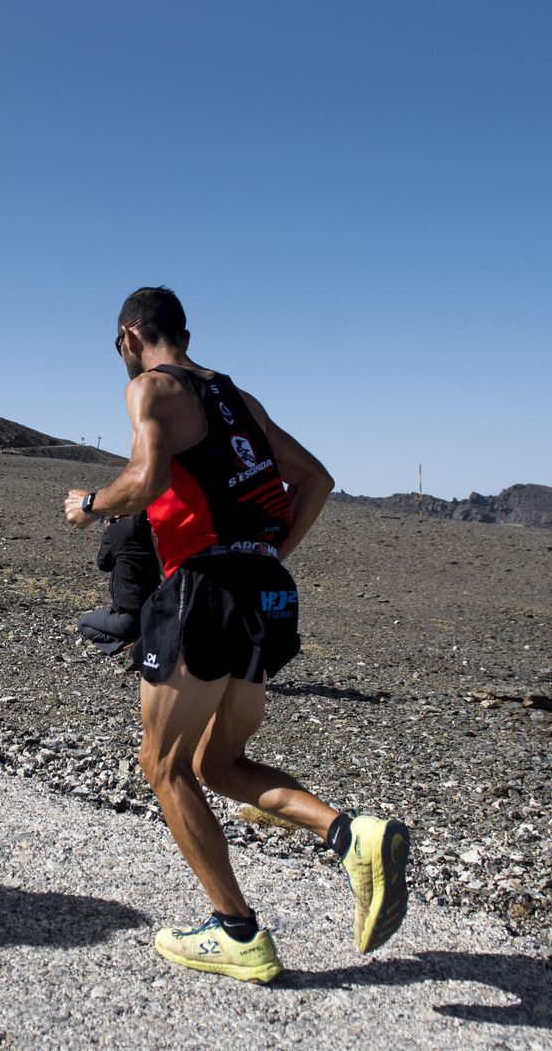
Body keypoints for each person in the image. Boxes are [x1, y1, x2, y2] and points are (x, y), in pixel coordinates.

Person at [62, 286, 408, 983]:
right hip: (263, 594)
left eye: (118, 348)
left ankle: (237, 932)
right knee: (219, 766)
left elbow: (146, 478)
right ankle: (351, 834)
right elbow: (316, 479)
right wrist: (268, 553)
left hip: (201, 592)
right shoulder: (233, 395)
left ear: (131, 335)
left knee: (161, 766)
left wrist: (89, 505)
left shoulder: (152, 389)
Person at [78, 510, 161, 655]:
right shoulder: (152, 532)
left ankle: (124, 646)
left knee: (84, 623)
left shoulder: (116, 531)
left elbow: (103, 563)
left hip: (127, 617)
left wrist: (110, 530)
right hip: (154, 615)